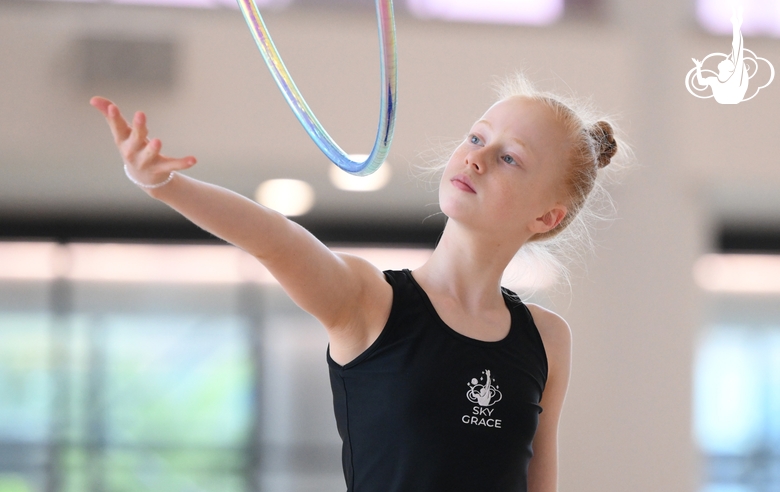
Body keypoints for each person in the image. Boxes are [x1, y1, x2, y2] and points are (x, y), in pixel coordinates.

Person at [91, 73, 621, 492]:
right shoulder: (369, 302)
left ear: (546, 217)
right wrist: (164, 183)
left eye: (509, 158)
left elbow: (537, 481)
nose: (476, 157)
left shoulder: (547, 340)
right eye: (477, 137)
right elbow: (274, 238)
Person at [692, 6, 748, 104]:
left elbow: (737, 47)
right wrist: (698, 67)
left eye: (729, 62)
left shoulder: (735, 78)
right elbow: (701, 82)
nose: (726, 59)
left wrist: (736, 26)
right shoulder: (716, 80)